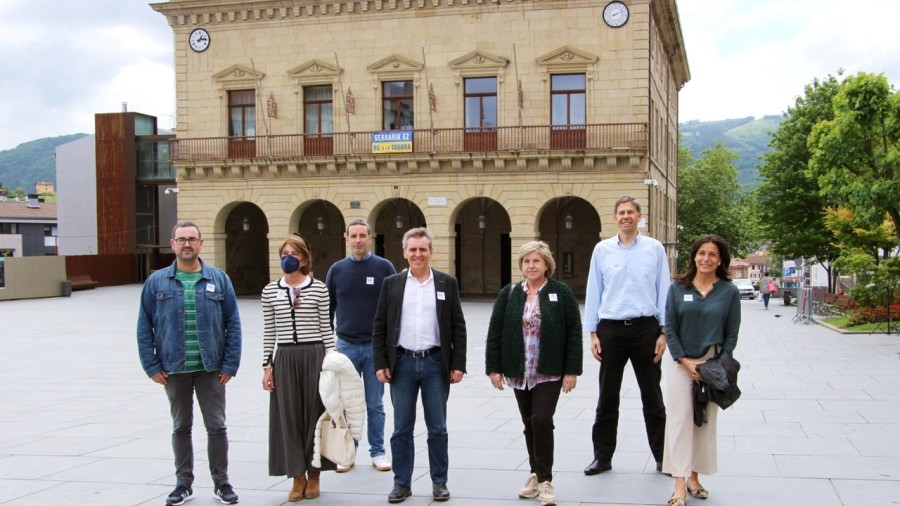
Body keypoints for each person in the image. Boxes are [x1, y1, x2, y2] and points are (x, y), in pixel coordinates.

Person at [137, 221, 242, 506]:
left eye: (192, 239)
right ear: (172, 244)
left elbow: (233, 323)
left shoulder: (219, 279)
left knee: (217, 427)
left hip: (211, 369)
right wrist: (151, 365)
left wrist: (230, 364)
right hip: (174, 369)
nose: (187, 244)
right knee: (181, 426)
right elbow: (144, 327)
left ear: (201, 243)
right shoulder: (157, 281)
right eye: (181, 239)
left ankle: (222, 483)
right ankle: (183, 483)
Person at [373, 227, 467, 504]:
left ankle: (439, 482)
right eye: (412, 249)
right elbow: (380, 326)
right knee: (402, 428)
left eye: (422, 249)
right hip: (401, 364)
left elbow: (458, 326)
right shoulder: (391, 284)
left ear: (430, 252)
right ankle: (402, 483)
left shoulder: (446, 283)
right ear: (404, 253)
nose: (417, 254)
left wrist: (458, 363)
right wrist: (380, 362)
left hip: (436, 364)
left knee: (437, 427)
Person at [485, 241, 582, 506]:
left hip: (548, 370)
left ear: (546, 264)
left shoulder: (560, 292)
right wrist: (494, 368)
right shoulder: (510, 293)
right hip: (520, 370)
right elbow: (495, 332)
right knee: (529, 423)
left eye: (536, 261)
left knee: (541, 420)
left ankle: (547, 480)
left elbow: (574, 331)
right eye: (526, 261)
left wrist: (572, 369)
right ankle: (534, 474)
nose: (531, 266)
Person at [583, 196, 670, 476]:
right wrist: (593, 333)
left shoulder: (654, 249)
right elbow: (594, 290)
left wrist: (664, 332)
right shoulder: (602, 250)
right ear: (615, 218)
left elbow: (664, 290)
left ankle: (663, 457)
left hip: (646, 328)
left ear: (639, 216)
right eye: (621, 212)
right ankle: (602, 456)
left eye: (631, 212)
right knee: (607, 397)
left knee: (652, 396)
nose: (626, 217)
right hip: (611, 329)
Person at [662, 234, 741, 506]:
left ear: (721, 261)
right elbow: (669, 328)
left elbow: (731, 334)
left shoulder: (729, 292)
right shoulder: (677, 288)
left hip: (712, 363)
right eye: (702, 253)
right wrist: (685, 361)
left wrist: (716, 365)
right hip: (681, 362)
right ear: (694, 256)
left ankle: (694, 477)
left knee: (704, 421)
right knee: (679, 420)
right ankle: (680, 483)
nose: (706, 259)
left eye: (713, 255)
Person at [261, 235, 336, 502]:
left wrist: (331, 363)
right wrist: (267, 366)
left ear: (304, 259)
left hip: (313, 354)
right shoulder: (270, 291)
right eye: (284, 252)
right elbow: (270, 331)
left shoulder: (318, 288)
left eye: (293, 253)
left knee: (316, 415)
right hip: (285, 358)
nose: (287, 257)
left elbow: (326, 328)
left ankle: (314, 473)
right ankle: (297, 476)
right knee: (289, 417)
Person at [325, 218, 397, 473]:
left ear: (370, 238)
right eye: (353, 236)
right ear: (346, 239)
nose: (357, 240)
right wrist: (327, 346)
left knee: (374, 403)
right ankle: (348, 451)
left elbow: (394, 307)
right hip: (345, 346)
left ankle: (377, 451)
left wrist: (390, 346)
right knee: (345, 403)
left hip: (375, 347)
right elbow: (328, 308)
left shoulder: (384, 267)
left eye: (362, 236)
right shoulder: (336, 270)